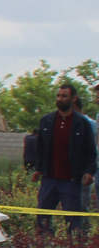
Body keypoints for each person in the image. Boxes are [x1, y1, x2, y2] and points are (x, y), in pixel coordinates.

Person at [28, 82, 97, 237]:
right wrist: (38, 169)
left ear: (73, 98)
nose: (60, 99)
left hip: (71, 180)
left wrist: (89, 172)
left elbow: (90, 151)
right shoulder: (46, 121)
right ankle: (45, 247)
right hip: (49, 179)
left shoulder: (82, 123)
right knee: (43, 217)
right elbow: (40, 149)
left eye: (64, 96)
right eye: (58, 96)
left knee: (73, 220)